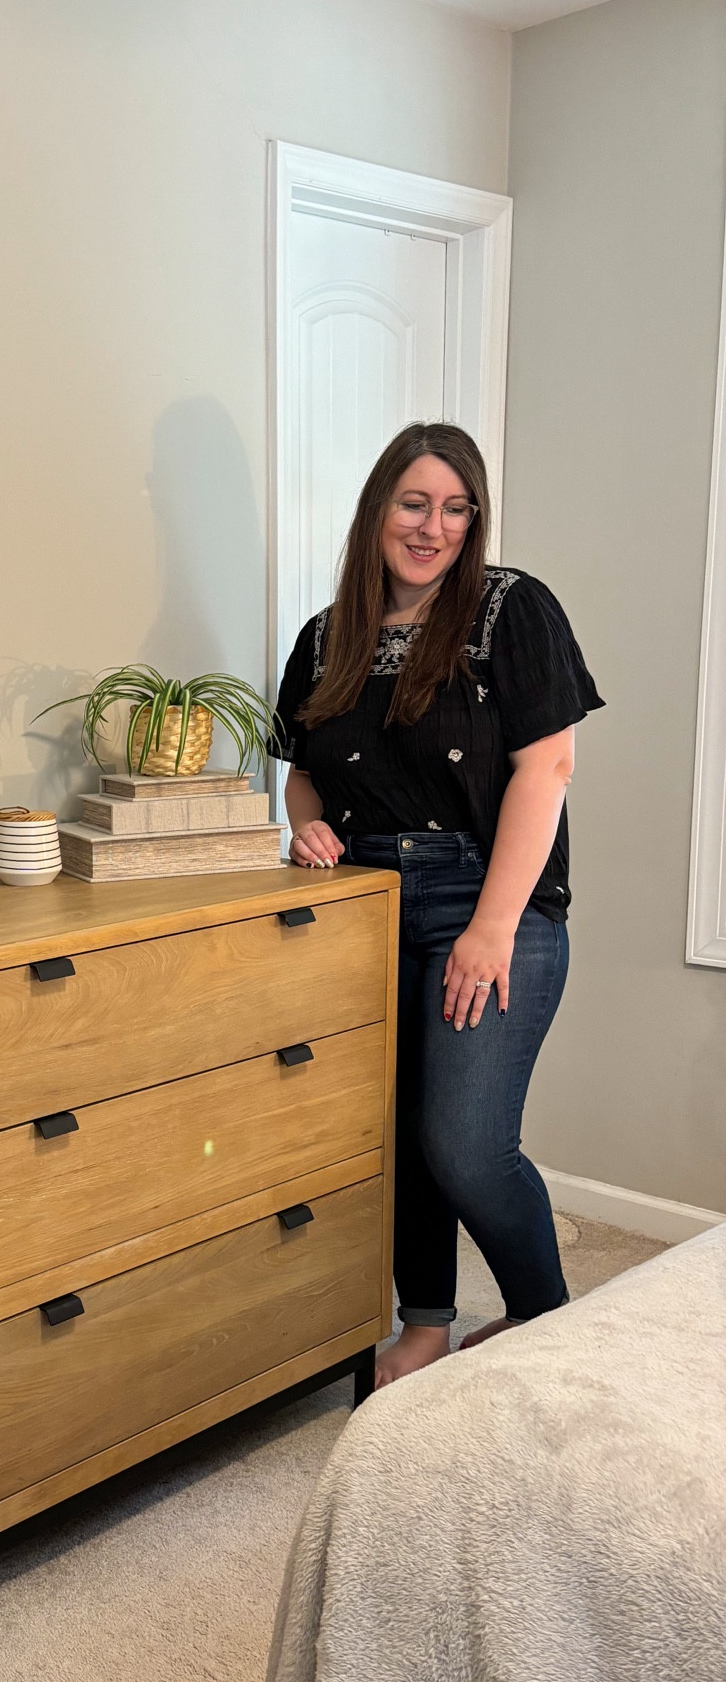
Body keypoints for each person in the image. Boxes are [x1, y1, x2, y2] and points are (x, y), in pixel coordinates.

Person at [272, 422, 603, 1387]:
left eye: (457, 508)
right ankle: (423, 1322)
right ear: (378, 508)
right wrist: (305, 827)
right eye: (416, 503)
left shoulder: (511, 609)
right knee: (402, 1131)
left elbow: (549, 768)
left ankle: (545, 1318)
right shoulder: (326, 636)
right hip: (367, 903)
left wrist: (491, 927)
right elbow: (303, 773)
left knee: (464, 1142)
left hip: (488, 895)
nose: (435, 527)